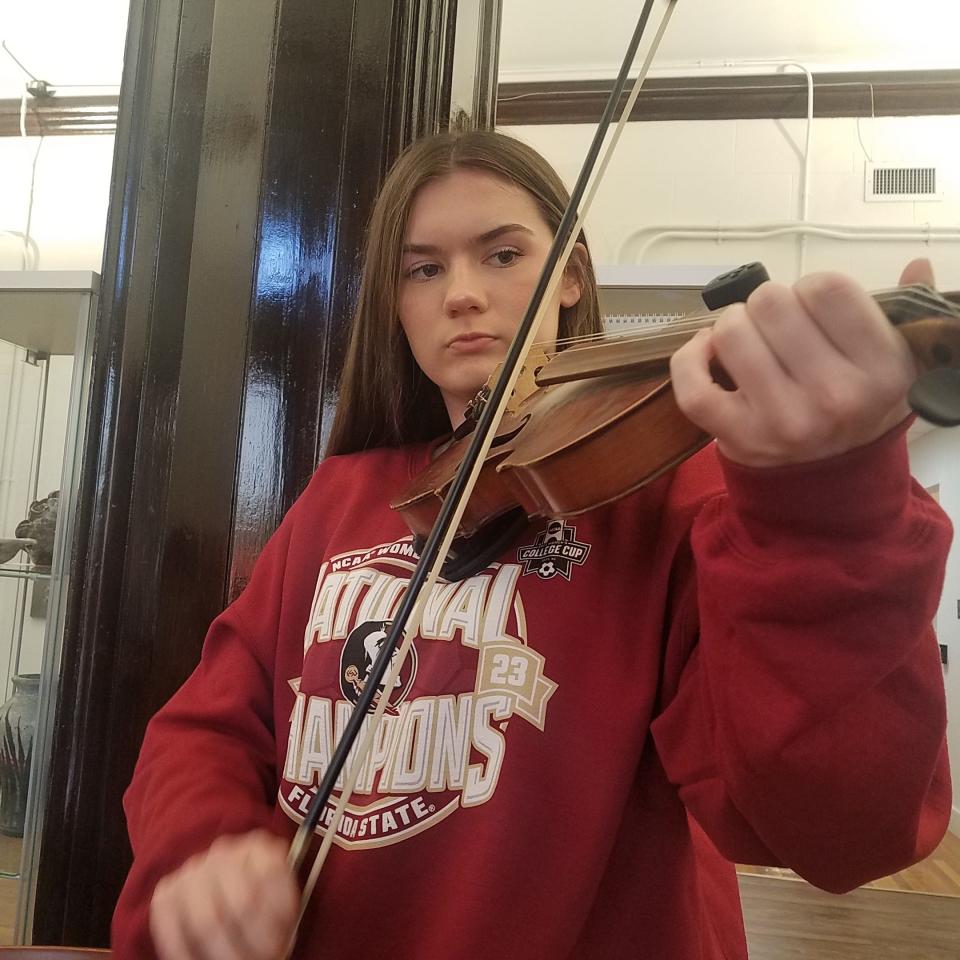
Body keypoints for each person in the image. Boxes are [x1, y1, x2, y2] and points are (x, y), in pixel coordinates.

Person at [112, 130, 952, 960]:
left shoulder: (679, 495)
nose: (463, 294)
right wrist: (203, 846)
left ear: (571, 277)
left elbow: (840, 832)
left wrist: (824, 503)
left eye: (504, 254)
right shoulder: (344, 495)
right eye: (424, 268)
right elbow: (207, 728)